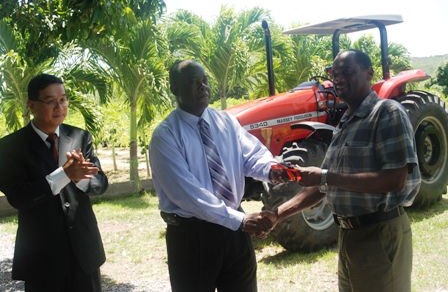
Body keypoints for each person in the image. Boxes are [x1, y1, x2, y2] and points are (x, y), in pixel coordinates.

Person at [264, 50, 421, 292]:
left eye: (347, 72)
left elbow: (395, 179)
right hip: (348, 236)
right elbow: (323, 185)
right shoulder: (345, 122)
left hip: (378, 233)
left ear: (369, 73)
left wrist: (325, 176)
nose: (338, 79)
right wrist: (277, 213)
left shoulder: (386, 113)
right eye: (334, 73)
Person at [149, 60, 287, 292]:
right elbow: (189, 195)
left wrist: (272, 170)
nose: (203, 87)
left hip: (235, 230)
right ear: (174, 88)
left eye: (205, 81)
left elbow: (251, 155)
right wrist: (241, 221)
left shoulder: (225, 121)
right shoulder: (165, 136)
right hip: (193, 236)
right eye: (194, 82)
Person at [0, 74, 109, 292]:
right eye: (51, 101)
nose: (59, 106)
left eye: (63, 100)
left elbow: (101, 182)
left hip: (83, 252)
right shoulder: (10, 147)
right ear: (32, 105)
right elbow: (19, 196)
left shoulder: (80, 137)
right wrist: (64, 175)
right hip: (41, 256)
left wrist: (80, 179)